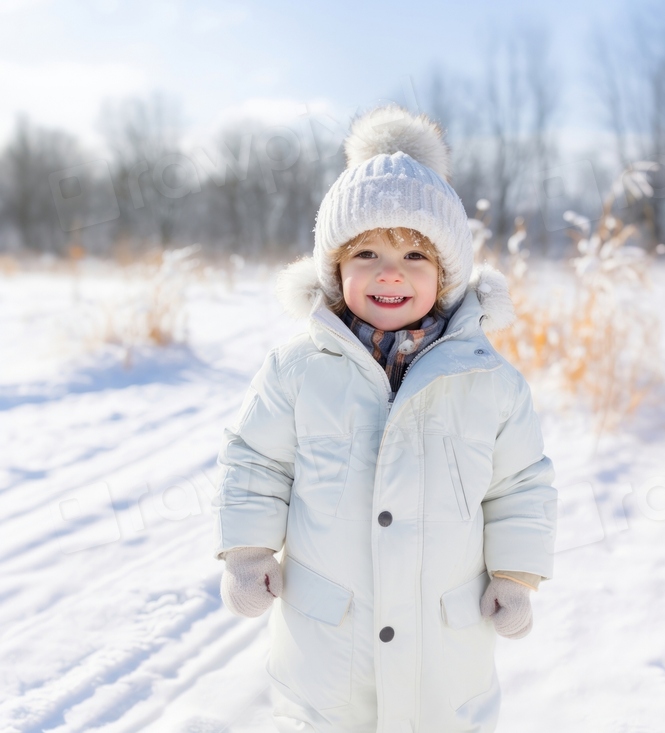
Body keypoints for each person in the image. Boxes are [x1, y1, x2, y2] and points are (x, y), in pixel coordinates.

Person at [210, 104, 558, 733]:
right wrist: (248, 548)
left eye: (415, 257)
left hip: (444, 648)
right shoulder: (298, 368)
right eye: (365, 251)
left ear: (447, 277)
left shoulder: (488, 381)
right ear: (335, 269)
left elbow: (520, 484)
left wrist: (514, 572)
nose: (389, 271)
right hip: (330, 646)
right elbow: (254, 459)